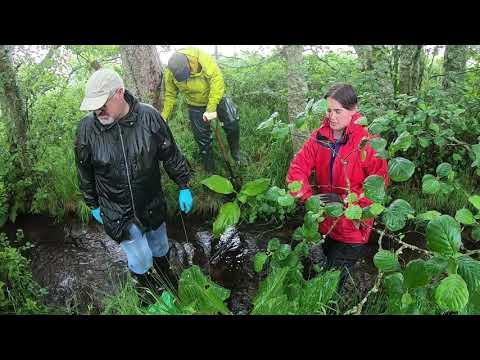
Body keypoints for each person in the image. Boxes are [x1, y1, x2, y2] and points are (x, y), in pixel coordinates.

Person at [74, 68, 193, 292]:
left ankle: (166, 284)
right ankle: (147, 298)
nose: (97, 111)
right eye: (94, 107)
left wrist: (183, 184)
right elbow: (84, 170)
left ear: (119, 93)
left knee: (159, 247)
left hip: (151, 201)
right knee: (140, 259)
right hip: (117, 209)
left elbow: (170, 153)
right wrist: (93, 204)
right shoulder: (87, 130)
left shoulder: (148, 116)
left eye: (102, 104)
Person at [287, 83, 389, 288]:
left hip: (353, 228)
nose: (332, 117)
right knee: (319, 274)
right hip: (325, 221)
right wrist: (309, 198)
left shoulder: (368, 142)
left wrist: (347, 204)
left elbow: (379, 188)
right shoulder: (319, 137)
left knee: (331, 286)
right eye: (328, 110)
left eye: (338, 111)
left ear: (353, 110)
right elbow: (297, 169)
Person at [161, 47, 241, 172]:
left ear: (188, 63)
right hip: (195, 104)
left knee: (232, 123)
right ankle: (210, 171)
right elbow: (170, 95)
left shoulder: (201, 57)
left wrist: (211, 108)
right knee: (202, 140)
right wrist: (163, 117)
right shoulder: (170, 72)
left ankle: (236, 154)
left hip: (215, 96)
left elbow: (217, 79)